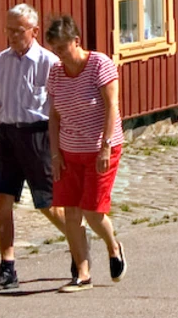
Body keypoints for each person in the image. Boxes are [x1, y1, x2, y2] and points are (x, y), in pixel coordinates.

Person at [0, 3, 64, 294]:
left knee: (47, 203)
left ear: (34, 31)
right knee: (1, 199)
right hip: (8, 136)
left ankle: (79, 245)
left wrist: (58, 149)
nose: (12, 36)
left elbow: (59, 110)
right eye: (8, 30)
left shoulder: (49, 63)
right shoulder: (1, 61)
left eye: (18, 30)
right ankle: (7, 266)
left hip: (38, 136)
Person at [43, 15, 126, 292]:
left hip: (101, 149)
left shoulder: (99, 64)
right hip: (69, 151)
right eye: (55, 49)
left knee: (93, 210)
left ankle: (113, 246)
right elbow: (53, 117)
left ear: (76, 41)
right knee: (71, 213)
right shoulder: (55, 72)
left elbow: (111, 105)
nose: (59, 54)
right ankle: (82, 273)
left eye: (63, 48)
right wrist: (55, 154)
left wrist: (105, 145)